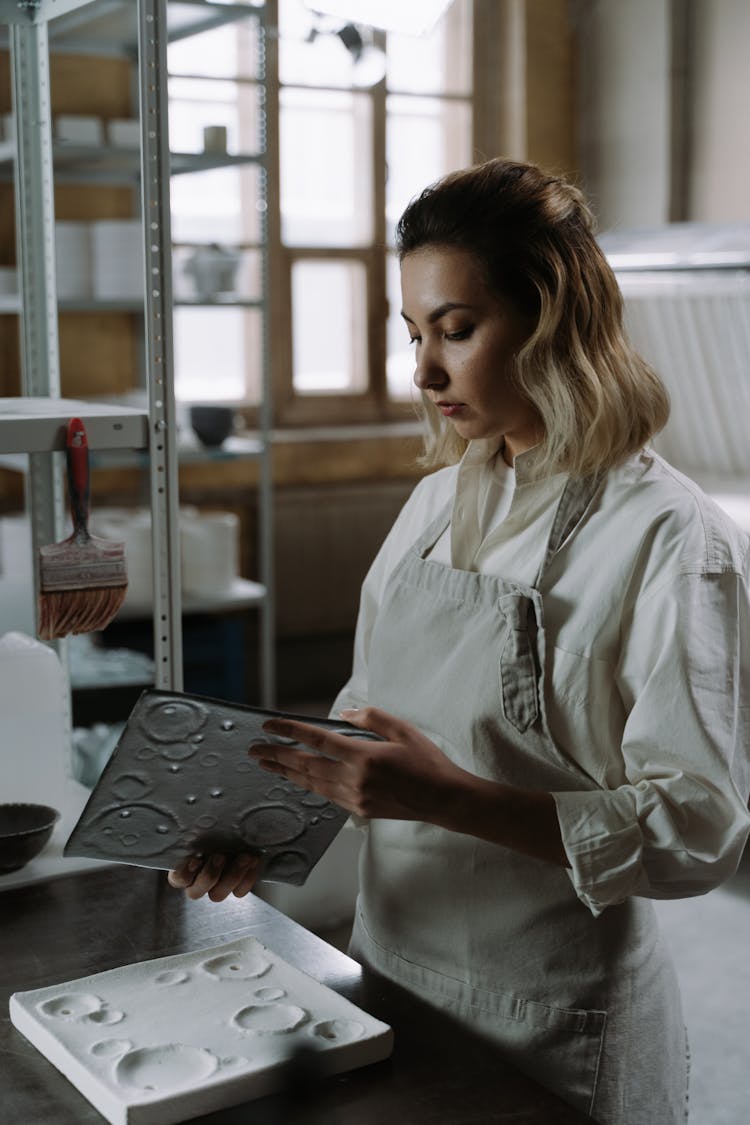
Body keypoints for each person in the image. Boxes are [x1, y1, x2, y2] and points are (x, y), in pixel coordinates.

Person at [169, 158, 750, 1124]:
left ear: (555, 322)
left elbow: (698, 829)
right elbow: (366, 733)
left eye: (457, 329)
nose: (423, 370)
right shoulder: (436, 505)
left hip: (552, 1018)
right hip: (391, 970)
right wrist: (259, 829)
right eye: (413, 333)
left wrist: (448, 796)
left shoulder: (668, 538)